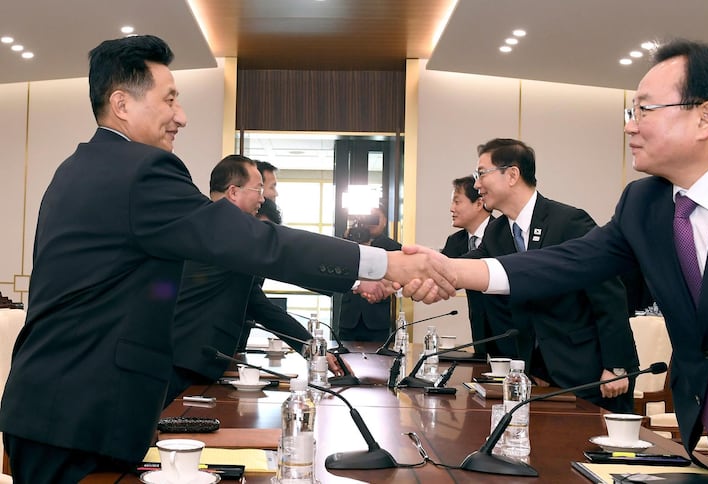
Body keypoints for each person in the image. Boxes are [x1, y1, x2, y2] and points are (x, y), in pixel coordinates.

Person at [0, 35, 452, 483]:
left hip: (58, 405)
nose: (181, 116)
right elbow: (259, 244)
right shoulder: (140, 170)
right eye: (170, 99)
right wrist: (384, 263)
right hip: (77, 414)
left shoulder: (79, 166)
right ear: (122, 104)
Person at [406, 39, 708, 480]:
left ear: (705, 117)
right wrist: (454, 270)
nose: (630, 127)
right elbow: (568, 262)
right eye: (630, 112)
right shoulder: (645, 202)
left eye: (644, 110)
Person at [467, 139, 638, 412]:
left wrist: (616, 365)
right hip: (536, 376)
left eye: (481, 174)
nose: (476, 185)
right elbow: (471, 268)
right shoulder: (496, 232)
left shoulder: (569, 222)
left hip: (587, 370)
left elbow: (608, 294)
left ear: (512, 175)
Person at [167, 155, 343, 404]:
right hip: (185, 357)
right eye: (258, 189)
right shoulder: (225, 232)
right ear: (233, 192)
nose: (263, 198)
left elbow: (256, 302)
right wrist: (357, 281)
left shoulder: (212, 226)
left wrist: (308, 345)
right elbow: (288, 262)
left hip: (193, 357)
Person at [441, 175, 494, 358]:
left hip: (510, 330)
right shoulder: (455, 242)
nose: (451, 209)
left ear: (479, 203)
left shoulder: (503, 234)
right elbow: (439, 276)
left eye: (457, 202)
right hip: (479, 329)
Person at [338, 205, 402, 342]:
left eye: (375, 218)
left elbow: (398, 277)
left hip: (377, 317)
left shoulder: (392, 247)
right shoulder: (351, 242)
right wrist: (347, 239)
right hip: (349, 316)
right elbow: (341, 267)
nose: (371, 223)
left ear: (385, 220)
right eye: (368, 218)